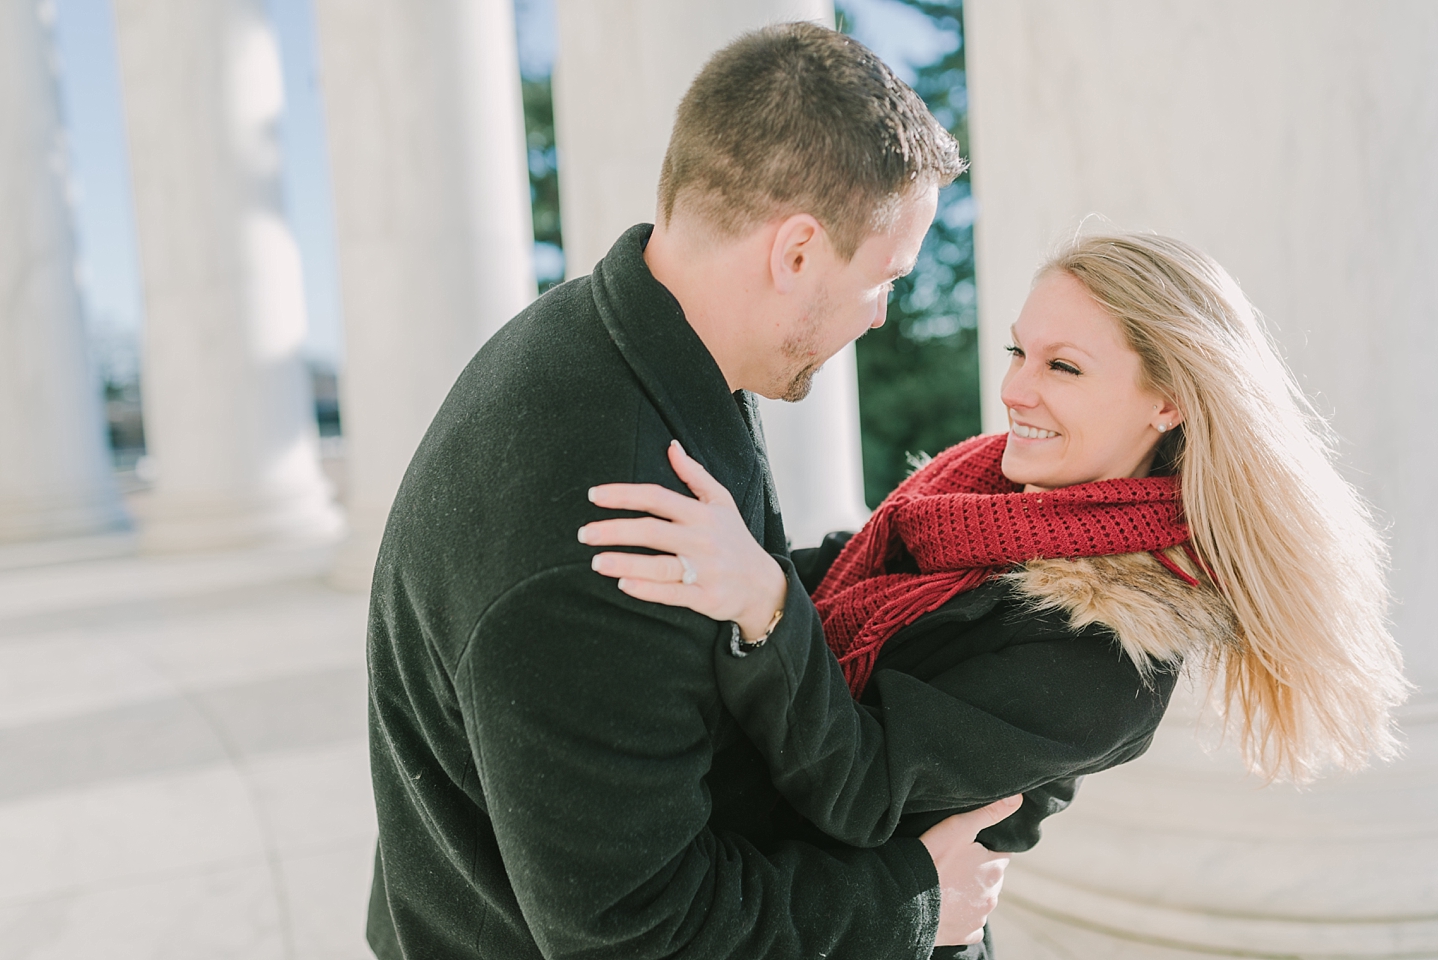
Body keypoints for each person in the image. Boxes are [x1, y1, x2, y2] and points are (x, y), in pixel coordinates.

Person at [365, 21, 1029, 960]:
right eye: (885, 278)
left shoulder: (624, 345)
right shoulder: (602, 514)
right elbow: (632, 934)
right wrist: (912, 898)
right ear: (797, 252)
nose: (882, 314)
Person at [582, 232, 1410, 957]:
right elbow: (833, 578)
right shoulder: (972, 504)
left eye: (1065, 367)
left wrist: (764, 608)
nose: (1016, 389)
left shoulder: (1113, 659)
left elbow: (860, 788)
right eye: (1020, 352)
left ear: (1169, 401)